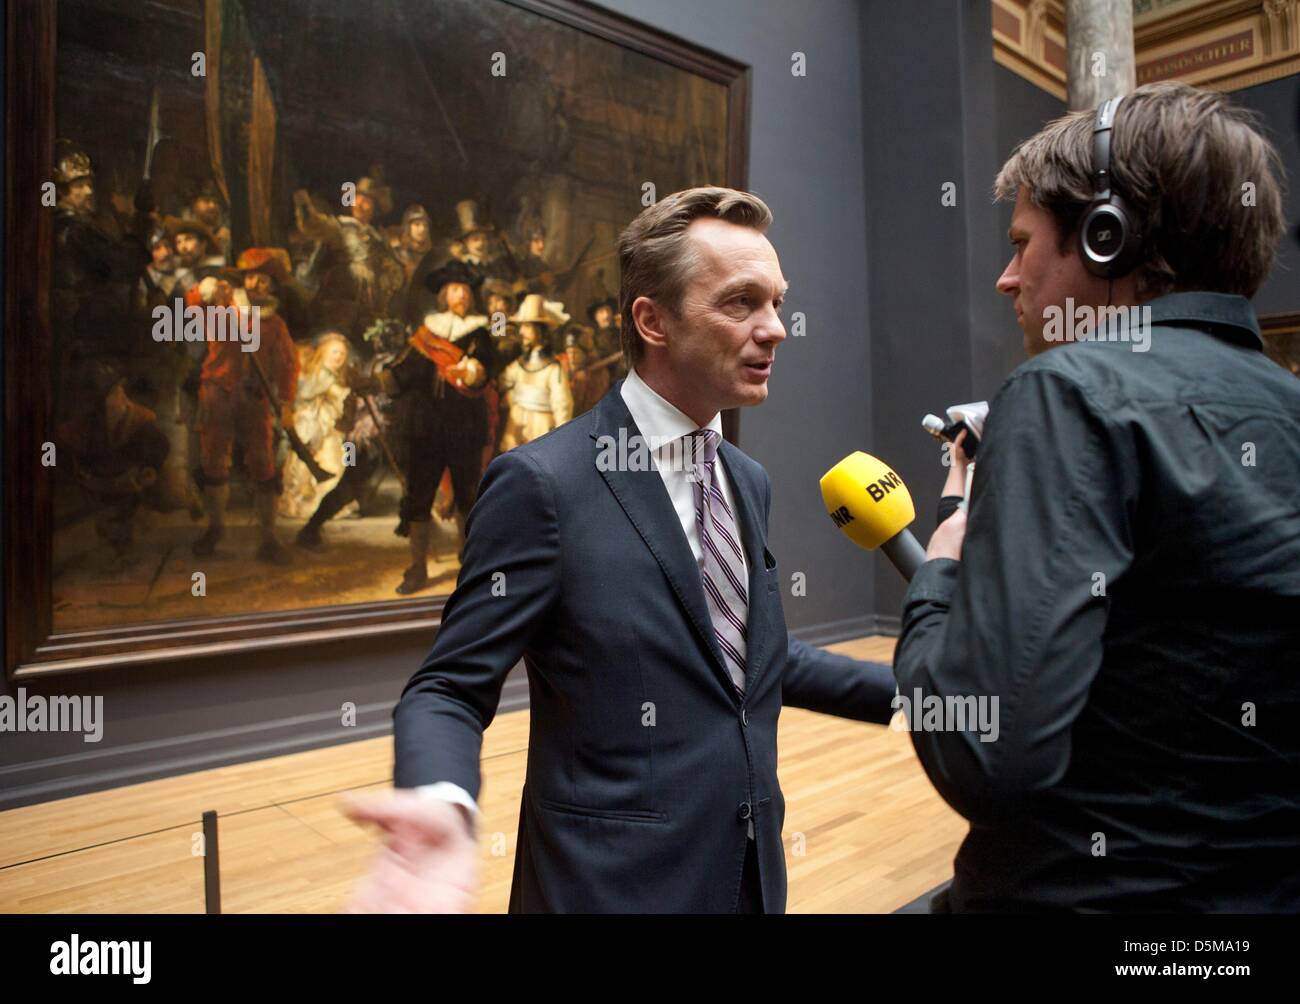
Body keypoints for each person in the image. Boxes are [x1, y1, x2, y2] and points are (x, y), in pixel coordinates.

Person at [344, 186, 897, 913]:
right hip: (605, 891)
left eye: (777, 301)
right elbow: (449, 686)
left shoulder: (746, 480)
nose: (777, 329)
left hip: (747, 881)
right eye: (742, 303)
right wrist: (444, 801)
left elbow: (751, 656)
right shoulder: (543, 485)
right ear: (652, 320)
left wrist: (921, 693)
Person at [894, 81, 1300, 912]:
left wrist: (942, 563)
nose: (1009, 280)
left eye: (1020, 244)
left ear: (1106, 237)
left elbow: (984, 750)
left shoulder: (1064, 390)